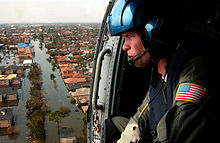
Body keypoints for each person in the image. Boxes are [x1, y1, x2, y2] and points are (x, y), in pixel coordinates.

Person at [107, 0, 220, 142]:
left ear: (153, 33)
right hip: (157, 134)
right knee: (113, 125)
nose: (125, 46)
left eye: (130, 36)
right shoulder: (159, 71)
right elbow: (145, 110)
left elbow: (174, 134)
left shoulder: (194, 69)